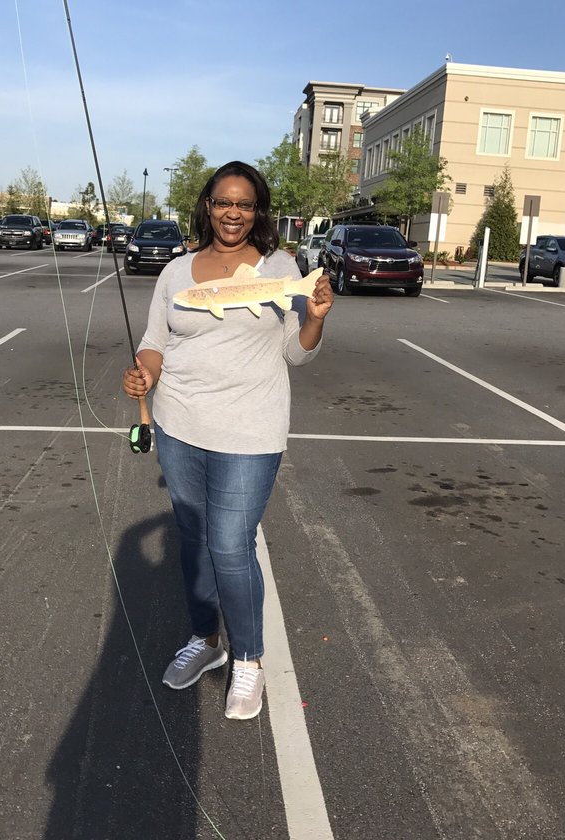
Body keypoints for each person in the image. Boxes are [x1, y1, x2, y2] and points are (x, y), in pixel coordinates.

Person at [122, 161, 333, 720]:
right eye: (223, 202)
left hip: (250, 427)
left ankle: (248, 659)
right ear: (207, 206)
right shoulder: (176, 272)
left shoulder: (279, 267)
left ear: (257, 210)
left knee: (231, 545)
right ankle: (205, 641)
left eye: (244, 204)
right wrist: (144, 373)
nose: (232, 213)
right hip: (179, 423)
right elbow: (155, 340)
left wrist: (314, 317)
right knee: (193, 540)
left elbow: (296, 352)